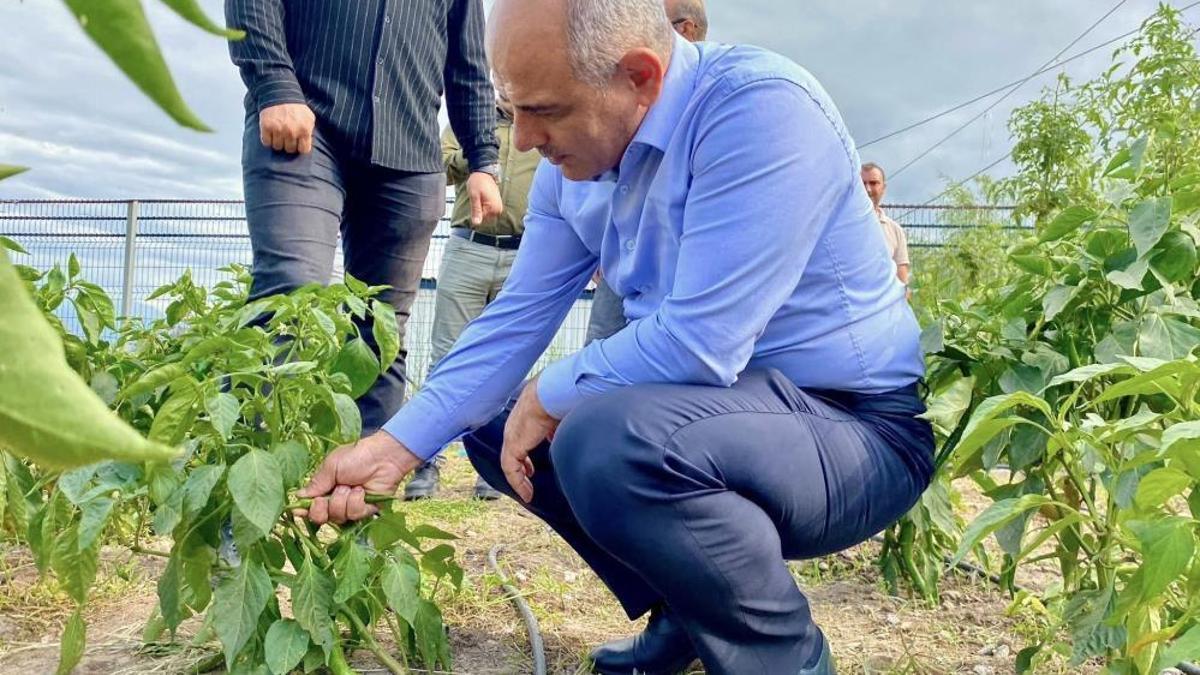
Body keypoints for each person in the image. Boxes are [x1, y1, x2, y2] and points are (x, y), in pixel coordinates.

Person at [297, 1, 933, 673]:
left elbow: (701, 341)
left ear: (640, 77)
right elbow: (514, 320)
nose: (522, 142)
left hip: (853, 430)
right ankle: (690, 607)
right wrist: (394, 448)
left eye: (545, 110)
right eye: (514, 111)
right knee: (493, 424)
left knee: (605, 437)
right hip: (719, 418)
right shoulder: (574, 171)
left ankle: (783, 659)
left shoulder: (758, 111)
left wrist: (552, 389)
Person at [225, 0, 503, 435]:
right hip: (304, 128)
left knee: (383, 327)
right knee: (289, 293)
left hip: (409, 151)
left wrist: (484, 159)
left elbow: (468, 66)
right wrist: (274, 84)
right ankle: (248, 469)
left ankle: (362, 493)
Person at [404, 93, 542, 501]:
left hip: (524, 253)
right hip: (468, 247)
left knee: (508, 363)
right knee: (447, 356)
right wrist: (481, 153)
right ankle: (427, 464)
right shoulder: (470, 119)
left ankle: (493, 466)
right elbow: (441, 165)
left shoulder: (540, 122)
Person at [585, 0, 709, 344]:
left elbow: (702, 340)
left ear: (685, 30)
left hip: (683, 282)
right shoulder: (619, 109)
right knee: (599, 348)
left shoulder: (718, 115)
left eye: (648, 24)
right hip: (620, 267)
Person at [861, 162, 912, 289]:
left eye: (873, 183)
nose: (867, 189)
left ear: (883, 188)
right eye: (862, 183)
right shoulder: (840, 228)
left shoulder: (895, 231)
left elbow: (902, 281)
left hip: (882, 306)